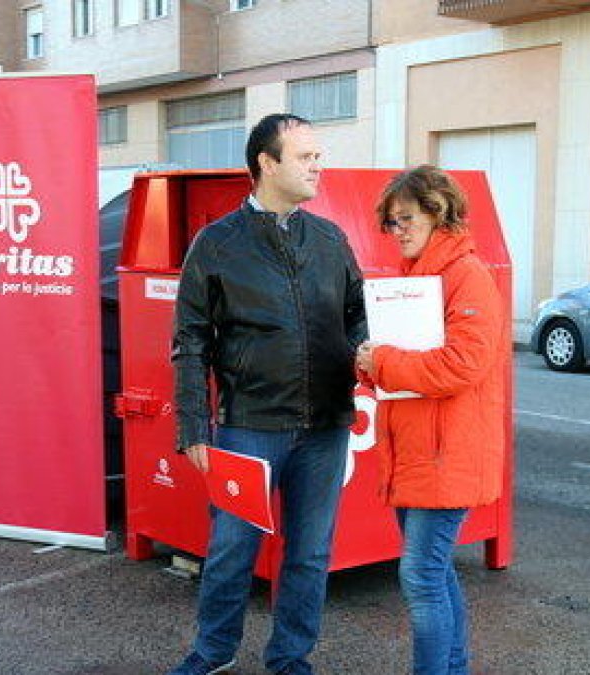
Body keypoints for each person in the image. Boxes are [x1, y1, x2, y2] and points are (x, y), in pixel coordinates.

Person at [169, 113, 367, 675]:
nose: (317, 167)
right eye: (305, 157)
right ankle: (212, 653)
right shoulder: (216, 244)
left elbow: (357, 319)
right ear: (267, 163)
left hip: (326, 427)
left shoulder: (330, 239)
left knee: (309, 554)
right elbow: (189, 341)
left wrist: (367, 361)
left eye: (318, 156)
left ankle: (290, 659)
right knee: (232, 550)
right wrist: (192, 427)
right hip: (249, 426)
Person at [355, 165, 508, 675]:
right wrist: (373, 365)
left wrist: (385, 361)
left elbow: (464, 365)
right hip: (420, 452)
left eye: (405, 218)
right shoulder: (418, 275)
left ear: (437, 212)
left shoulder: (467, 276)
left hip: (447, 454)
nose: (395, 231)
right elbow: (408, 369)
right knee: (435, 574)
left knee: (421, 576)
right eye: (390, 223)